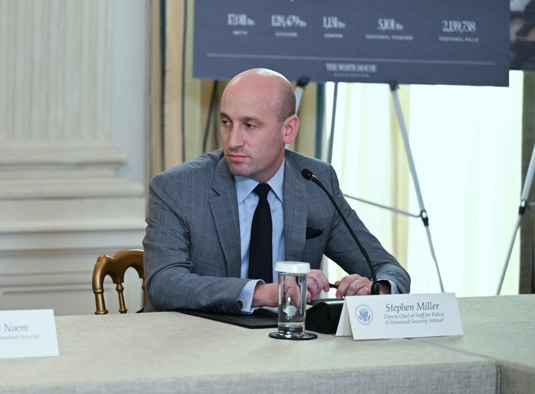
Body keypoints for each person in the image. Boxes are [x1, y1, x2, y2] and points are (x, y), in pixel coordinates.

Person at [143, 68, 410, 313]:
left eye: (250, 125)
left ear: (289, 129)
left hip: (287, 345)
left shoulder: (317, 181)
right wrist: (261, 293)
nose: (233, 141)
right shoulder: (177, 187)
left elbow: (387, 269)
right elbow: (164, 282)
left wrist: (377, 290)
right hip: (197, 341)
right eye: (226, 122)